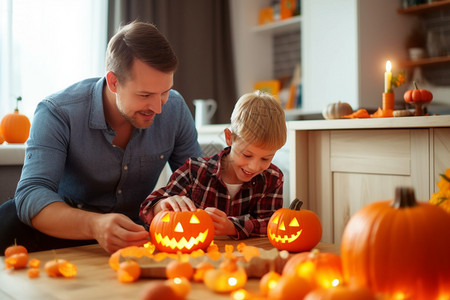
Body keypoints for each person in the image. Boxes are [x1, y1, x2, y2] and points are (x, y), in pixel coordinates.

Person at [0, 21, 202, 254]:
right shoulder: (57, 112)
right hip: (63, 230)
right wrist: (95, 226)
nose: (158, 107)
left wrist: (162, 204)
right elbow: (31, 195)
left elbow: (198, 184)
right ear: (114, 82)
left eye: (165, 92)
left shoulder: (174, 109)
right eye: (145, 94)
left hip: (136, 234)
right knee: (9, 218)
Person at [139, 91, 286, 239]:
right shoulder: (194, 171)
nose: (254, 166)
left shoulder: (272, 178)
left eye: (266, 159)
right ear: (229, 138)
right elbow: (146, 209)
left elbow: (272, 224)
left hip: (245, 257)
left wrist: (233, 227)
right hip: (198, 255)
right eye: (247, 155)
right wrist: (162, 205)